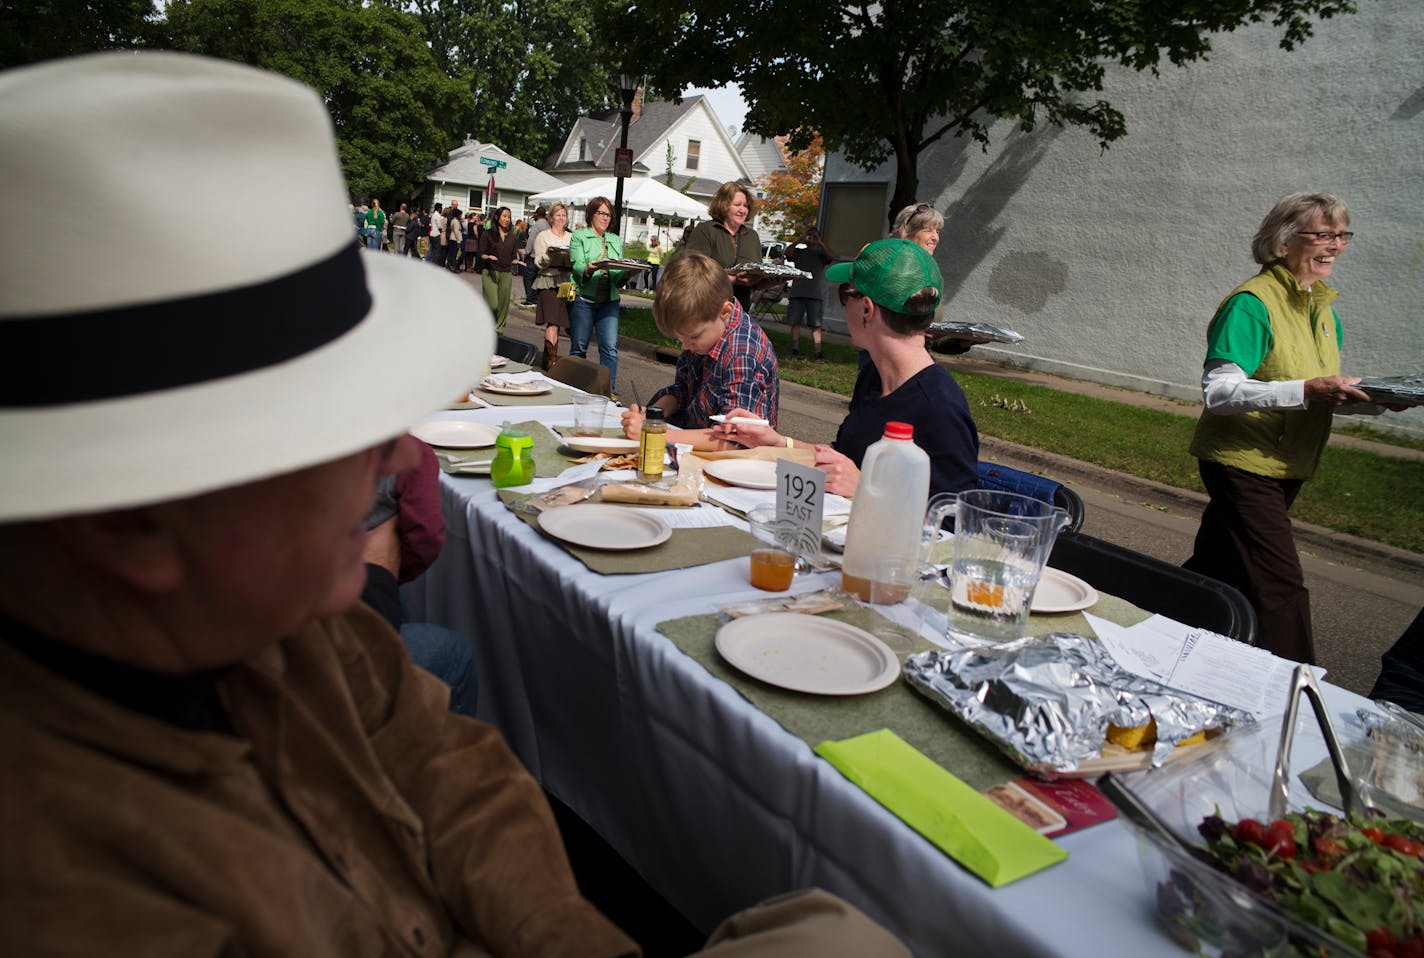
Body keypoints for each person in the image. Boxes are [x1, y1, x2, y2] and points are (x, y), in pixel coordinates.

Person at [0, 51, 911, 958]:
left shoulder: (272, 628)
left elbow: (455, 771)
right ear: (134, 522)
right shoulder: (73, 895)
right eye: (341, 428)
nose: (400, 454)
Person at [1183, 192, 1399, 664]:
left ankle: (1155, 623)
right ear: (1283, 243)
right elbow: (1219, 394)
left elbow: (1317, 390)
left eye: (1342, 234)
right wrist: (1307, 390)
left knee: (1218, 570)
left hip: (1287, 465)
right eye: (1322, 234)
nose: (1336, 245)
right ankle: (1298, 694)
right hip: (1243, 463)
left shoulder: (1323, 311)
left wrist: (1376, 402)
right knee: (1280, 590)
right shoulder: (1251, 304)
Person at [715, 239, 979, 498]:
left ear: (867, 309)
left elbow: (954, 524)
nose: (843, 306)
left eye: (845, 293)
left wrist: (865, 487)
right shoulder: (874, 377)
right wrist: (778, 443)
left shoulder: (939, 407)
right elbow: (842, 462)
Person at [620, 252, 779, 451]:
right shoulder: (706, 333)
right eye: (680, 339)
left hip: (734, 468)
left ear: (725, 312)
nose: (686, 346)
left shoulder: (744, 354)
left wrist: (654, 434)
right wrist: (652, 415)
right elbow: (684, 390)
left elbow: (737, 440)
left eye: (693, 337)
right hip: (696, 452)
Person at [568, 195, 628, 389]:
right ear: (591, 214)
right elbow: (577, 264)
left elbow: (618, 274)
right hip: (584, 299)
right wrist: (588, 268)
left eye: (608, 215)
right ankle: (575, 387)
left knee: (609, 349)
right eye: (601, 213)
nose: (605, 218)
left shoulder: (615, 240)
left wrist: (628, 274)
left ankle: (607, 391)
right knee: (579, 348)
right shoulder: (579, 236)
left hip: (609, 302)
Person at [686, 181, 762, 310]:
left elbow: (756, 275)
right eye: (737, 205)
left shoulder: (752, 236)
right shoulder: (706, 230)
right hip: (707, 307)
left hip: (739, 310)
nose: (742, 210)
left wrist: (766, 282)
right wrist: (733, 280)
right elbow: (693, 270)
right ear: (724, 205)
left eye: (745, 205)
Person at [532, 202, 573, 370]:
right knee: (553, 322)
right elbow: (539, 262)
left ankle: (548, 358)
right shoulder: (543, 236)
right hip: (548, 280)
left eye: (564, 215)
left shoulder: (572, 237)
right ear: (551, 217)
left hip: (566, 281)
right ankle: (552, 361)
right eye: (558, 215)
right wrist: (549, 255)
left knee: (560, 322)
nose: (561, 218)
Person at [783, 227, 835, 359]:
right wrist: (797, 242)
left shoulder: (821, 254)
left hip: (815, 294)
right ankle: (795, 348)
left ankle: (818, 351)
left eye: (814, 236)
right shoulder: (799, 252)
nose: (811, 238)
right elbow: (787, 254)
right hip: (797, 292)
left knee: (816, 324)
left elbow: (831, 256)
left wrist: (820, 243)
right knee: (795, 322)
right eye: (809, 236)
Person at [480, 205, 523, 333]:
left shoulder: (512, 237)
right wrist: (487, 257)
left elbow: (512, 256)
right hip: (490, 272)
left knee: (503, 306)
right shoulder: (488, 234)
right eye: (504, 216)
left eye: (509, 217)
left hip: (506, 273)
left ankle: (499, 331)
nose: (507, 219)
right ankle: (487, 327)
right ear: (497, 217)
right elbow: (480, 253)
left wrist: (517, 261)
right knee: (493, 304)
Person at [519, 205, 549, 308]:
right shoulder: (547, 225)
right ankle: (536, 298)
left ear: (536, 215)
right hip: (544, 255)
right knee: (538, 277)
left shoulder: (537, 226)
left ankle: (530, 299)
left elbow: (531, 240)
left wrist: (526, 252)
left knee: (528, 277)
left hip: (533, 255)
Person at [443, 206, 463, 273]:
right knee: (454, 255)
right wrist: (459, 241)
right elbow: (457, 232)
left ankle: (449, 265)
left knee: (451, 254)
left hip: (452, 238)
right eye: (460, 215)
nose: (461, 216)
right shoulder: (456, 222)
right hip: (455, 239)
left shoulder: (452, 220)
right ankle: (454, 268)